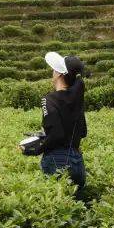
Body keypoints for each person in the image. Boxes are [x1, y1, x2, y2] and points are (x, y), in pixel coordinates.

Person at [39, 51, 87, 199]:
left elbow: (56, 135)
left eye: (54, 70)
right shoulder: (77, 98)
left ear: (59, 74)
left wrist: (35, 148)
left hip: (56, 161)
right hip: (77, 162)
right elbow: (83, 132)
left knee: (56, 212)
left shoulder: (49, 99)